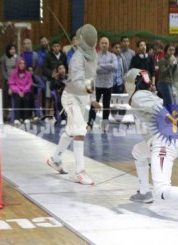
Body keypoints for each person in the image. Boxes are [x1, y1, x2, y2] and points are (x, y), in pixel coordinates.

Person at [124, 68, 178, 225]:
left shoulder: (139, 96)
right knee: (138, 151)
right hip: (160, 139)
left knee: (161, 189)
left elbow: (159, 109)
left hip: (164, 140)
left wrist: (171, 119)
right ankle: (144, 193)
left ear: (132, 84)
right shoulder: (146, 95)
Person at [47, 24, 101, 185]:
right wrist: (88, 91)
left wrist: (92, 99)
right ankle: (79, 172)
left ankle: (55, 159)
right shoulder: (77, 58)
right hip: (71, 97)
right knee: (80, 130)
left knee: (71, 131)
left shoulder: (93, 55)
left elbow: (92, 78)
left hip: (81, 98)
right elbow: (77, 83)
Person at [87, 37, 116, 133]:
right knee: (94, 106)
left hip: (108, 84)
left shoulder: (113, 56)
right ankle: (90, 125)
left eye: (106, 43)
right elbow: (94, 68)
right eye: (102, 43)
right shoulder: (95, 56)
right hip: (97, 85)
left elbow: (114, 67)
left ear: (108, 45)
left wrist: (101, 66)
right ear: (99, 44)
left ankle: (105, 125)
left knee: (106, 105)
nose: (104, 45)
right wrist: (108, 66)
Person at [9, 58, 33, 125]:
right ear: (18, 64)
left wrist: (24, 91)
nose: (22, 65)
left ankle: (26, 118)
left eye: (24, 63)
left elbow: (29, 83)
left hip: (25, 91)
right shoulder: (14, 73)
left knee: (27, 99)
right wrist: (18, 91)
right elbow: (11, 84)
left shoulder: (28, 74)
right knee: (17, 99)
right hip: (16, 91)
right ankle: (17, 118)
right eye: (21, 63)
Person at [157, 44, 177, 112]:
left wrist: (174, 65)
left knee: (167, 102)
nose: (172, 52)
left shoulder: (172, 59)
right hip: (163, 82)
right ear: (166, 51)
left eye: (173, 50)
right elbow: (163, 73)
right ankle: (168, 118)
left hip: (169, 82)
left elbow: (172, 73)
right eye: (170, 50)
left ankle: (165, 118)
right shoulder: (163, 60)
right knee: (169, 101)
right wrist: (170, 64)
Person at [1, 44, 18, 121]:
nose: (12, 51)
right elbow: (3, 70)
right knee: (7, 98)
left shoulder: (17, 57)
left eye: (14, 49)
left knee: (15, 97)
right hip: (7, 80)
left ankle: (14, 114)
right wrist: (8, 79)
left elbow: (19, 69)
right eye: (11, 49)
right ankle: (6, 114)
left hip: (16, 81)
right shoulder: (4, 58)